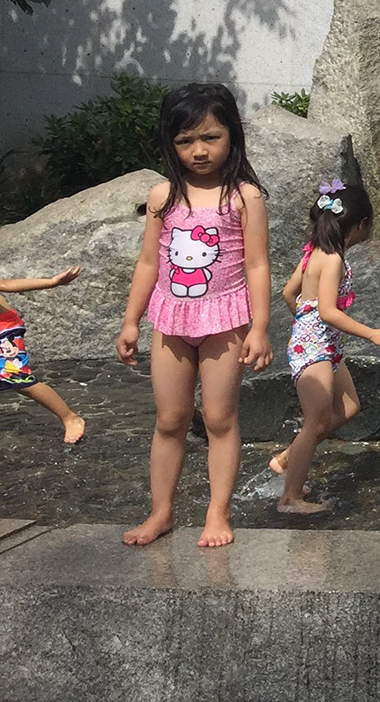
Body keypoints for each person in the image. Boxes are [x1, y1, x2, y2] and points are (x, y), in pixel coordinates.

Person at [116, 83, 274, 548]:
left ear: (232, 137)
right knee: (169, 419)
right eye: (185, 141)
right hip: (171, 318)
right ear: (170, 143)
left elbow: (257, 264)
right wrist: (131, 320)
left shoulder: (244, 198)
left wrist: (260, 328)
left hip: (226, 320)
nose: (199, 151)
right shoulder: (162, 196)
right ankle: (161, 511)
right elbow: (148, 262)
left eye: (211, 138)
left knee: (219, 418)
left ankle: (217, 512)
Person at [267, 182, 380, 515]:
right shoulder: (332, 259)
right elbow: (328, 311)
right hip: (316, 348)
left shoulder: (316, 249)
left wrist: (302, 324)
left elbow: (288, 293)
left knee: (350, 407)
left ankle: (289, 458)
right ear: (360, 225)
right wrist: (372, 334)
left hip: (321, 344)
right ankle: (291, 499)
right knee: (315, 422)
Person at [0, 264, 87, 442]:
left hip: (1, 329)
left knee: (20, 381)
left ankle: (70, 417)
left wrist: (52, 282)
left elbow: (4, 284)